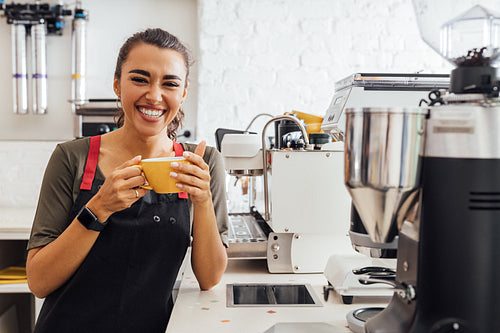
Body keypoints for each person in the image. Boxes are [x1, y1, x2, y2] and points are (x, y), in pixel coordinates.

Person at [26, 28, 228, 333]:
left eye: (170, 83)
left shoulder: (203, 162)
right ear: (117, 85)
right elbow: (39, 281)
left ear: (183, 93)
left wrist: (202, 200)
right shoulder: (72, 158)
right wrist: (98, 209)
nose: (155, 95)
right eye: (140, 79)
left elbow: (210, 277)